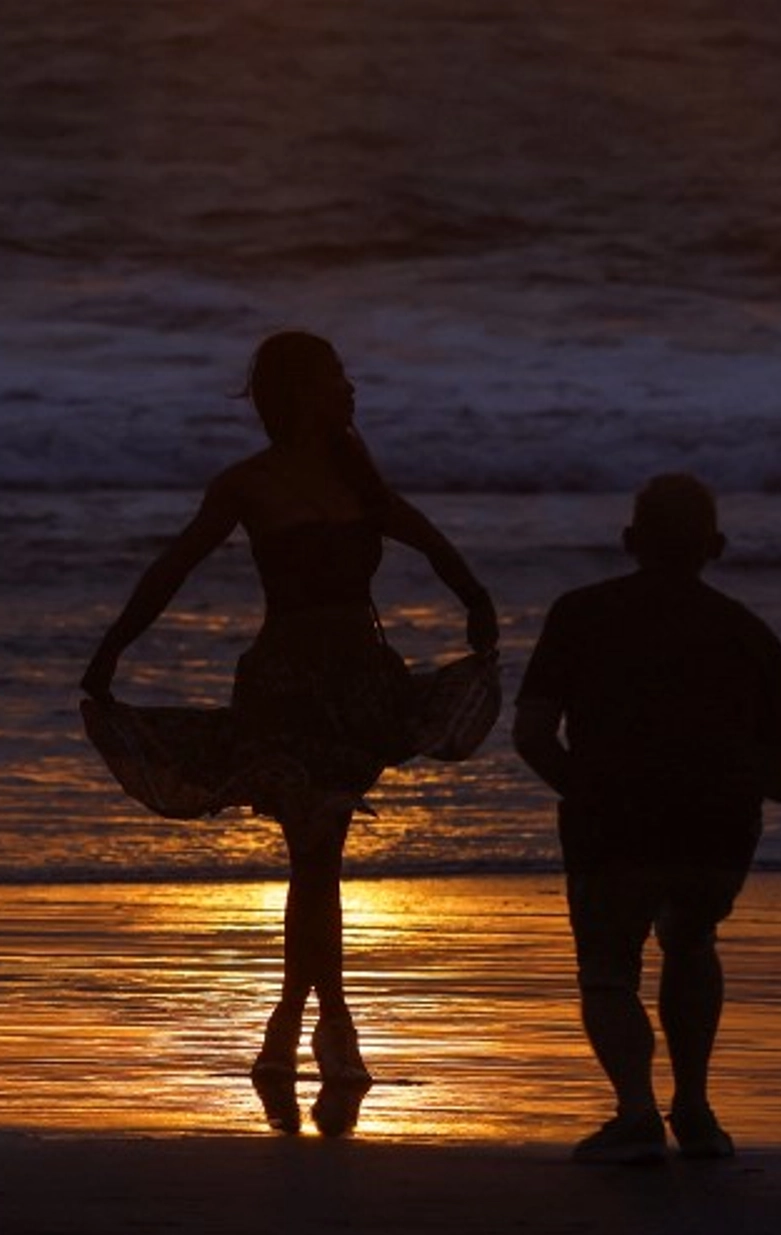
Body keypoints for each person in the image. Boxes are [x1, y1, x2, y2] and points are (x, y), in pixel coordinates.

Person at [80, 331, 498, 1095]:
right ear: (301, 390)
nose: (350, 389)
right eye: (337, 376)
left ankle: (296, 1021)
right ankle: (325, 1022)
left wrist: (476, 601)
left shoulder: (358, 479)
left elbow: (431, 540)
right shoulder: (248, 484)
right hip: (284, 689)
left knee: (317, 856)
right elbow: (173, 566)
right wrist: (113, 649)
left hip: (359, 689)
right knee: (315, 855)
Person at [512, 474, 781, 1164]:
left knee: (609, 968)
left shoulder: (580, 613)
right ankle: (697, 1109)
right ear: (717, 546)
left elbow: (530, 733)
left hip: (612, 825)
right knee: (692, 937)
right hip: (718, 832)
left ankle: (638, 1112)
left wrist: (583, 790)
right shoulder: (749, 632)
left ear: (629, 541)